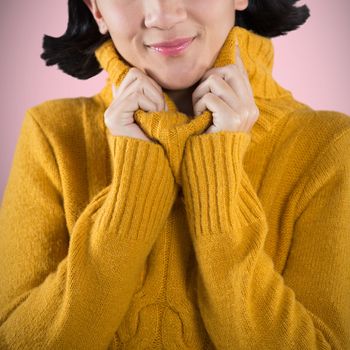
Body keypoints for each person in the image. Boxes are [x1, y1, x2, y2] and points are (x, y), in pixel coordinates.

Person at [0, 0, 349, 349]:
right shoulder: (53, 135)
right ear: (97, 10)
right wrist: (133, 189)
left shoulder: (326, 147)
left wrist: (219, 173)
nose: (162, 15)